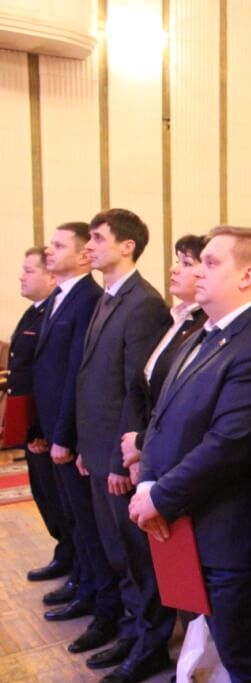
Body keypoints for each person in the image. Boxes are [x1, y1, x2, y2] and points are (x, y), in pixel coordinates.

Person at [129, 226, 251, 682]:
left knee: (246, 658)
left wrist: (160, 495)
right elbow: (163, 416)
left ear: (247, 276)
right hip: (187, 521)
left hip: (223, 531)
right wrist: (147, 479)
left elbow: (230, 443)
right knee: (215, 644)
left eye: (211, 262)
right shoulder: (206, 330)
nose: (198, 271)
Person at [75, 209, 173, 682]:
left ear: (127, 246)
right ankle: (131, 631)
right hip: (96, 448)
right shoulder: (109, 297)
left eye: (98, 238)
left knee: (136, 557)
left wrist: (120, 460)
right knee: (116, 551)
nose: (89, 246)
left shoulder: (144, 303)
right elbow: (95, 379)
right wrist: (85, 446)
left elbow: (137, 391)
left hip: (118, 456)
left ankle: (148, 643)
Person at [33, 223, 121, 658]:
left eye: (58, 245)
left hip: (71, 434)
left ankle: (103, 604)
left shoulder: (87, 299)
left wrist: (66, 436)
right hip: (55, 430)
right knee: (74, 521)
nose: (49, 251)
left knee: (90, 527)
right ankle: (85, 585)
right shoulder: (61, 297)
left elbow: (76, 376)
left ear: (83, 255)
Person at [119, 235, 209, 489]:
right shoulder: (174, 320)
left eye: (186, 263)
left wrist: (141, 445)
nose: (174, 269)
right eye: (177, 261)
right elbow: (140, 386)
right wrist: (134, 448)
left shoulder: (206, 328)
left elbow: (185, 406)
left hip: (173, 458)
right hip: (146, 448)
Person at [12, 248, 70, 587]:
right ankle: (64, 551)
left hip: (45, 426)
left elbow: (52, 377)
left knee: (58, 499)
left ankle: (72, 558)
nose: (22, 276)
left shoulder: (53, 314)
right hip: (32, 423)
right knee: (45, 495)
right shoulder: (34, 313)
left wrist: (41, 429)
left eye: (29, 270)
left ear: (51, 277)